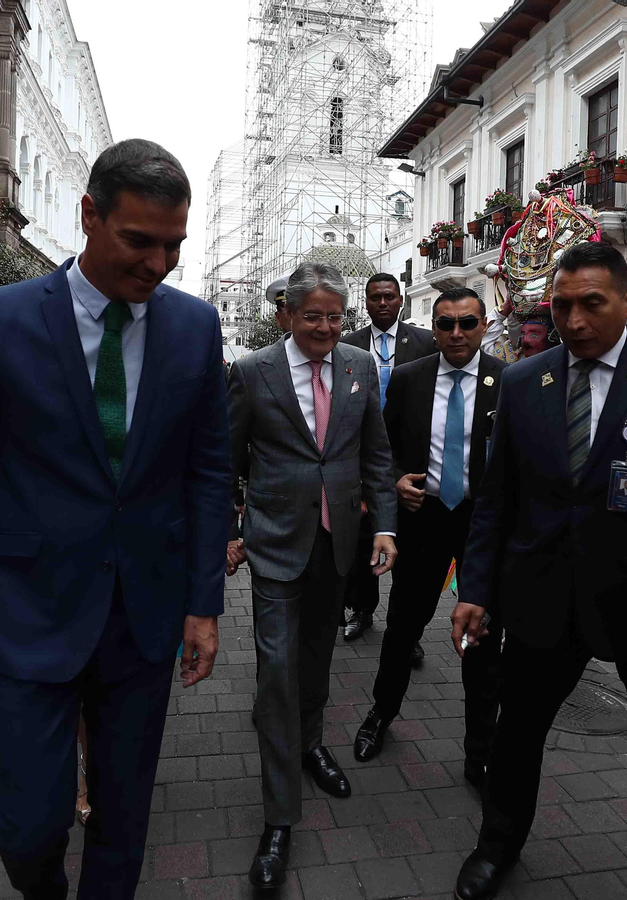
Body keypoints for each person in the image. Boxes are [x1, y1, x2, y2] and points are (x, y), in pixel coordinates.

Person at [0, 139, 231, 900]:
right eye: (140, 240)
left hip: (144, 616)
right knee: (29, 828)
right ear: (89, 214)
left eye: (173, 245)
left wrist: (203, 604)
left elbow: (206, 475)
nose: (159, 264)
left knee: (124, 819)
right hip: (28, 613)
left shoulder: (195, 327)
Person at [451, 242, 627, 900]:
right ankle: (496, 846)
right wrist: (474, 589)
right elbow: (496, 498)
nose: (573, 321)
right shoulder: (524, 382)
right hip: (542, 595)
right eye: (561, 306)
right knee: (516, 736)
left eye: (591, 304)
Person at [226, 261, 398, 891]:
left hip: (338, 543)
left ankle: (310, 744)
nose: (326, 328)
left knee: (318, 657)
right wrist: (227, 531)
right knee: (277, 674)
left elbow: (375, 453)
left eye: (335, 317)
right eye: (313, 316)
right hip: (274, 544)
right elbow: (226, 459)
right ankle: (279, 817)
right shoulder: (253, 371)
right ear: (287, 315)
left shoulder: (359, 366)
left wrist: (385, 527)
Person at [352, 288, 505, 786]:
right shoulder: (409, 378)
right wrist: (396, 480)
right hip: (425, 519)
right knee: (402, 627)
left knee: (482, 636)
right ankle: (381, 713)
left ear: (484, 325)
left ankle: (480, 749)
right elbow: (383, 448)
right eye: (446, 324)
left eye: (467, 323)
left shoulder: (510, 382)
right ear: (433, 329)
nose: (457, 333)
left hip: (482, 526)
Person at [339, 273, 436, 642]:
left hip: (410, 458)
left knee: (410, 549)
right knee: (363, 542)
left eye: (389, 297)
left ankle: (407, 633)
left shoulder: (425, 342)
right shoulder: (348, 345)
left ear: (401, 300)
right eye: (375, 297)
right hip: (361, 457)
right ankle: (362, 610)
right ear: (365, 302)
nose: (382, 303)